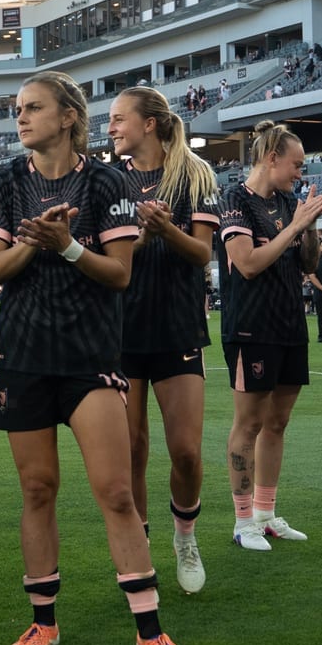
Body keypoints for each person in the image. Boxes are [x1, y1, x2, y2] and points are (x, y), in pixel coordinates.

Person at [0, 73, 194, 645]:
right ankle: (43, 622)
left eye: (33, 107)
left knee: (117, 492)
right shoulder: (5, 181)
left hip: (90, 359)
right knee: (37, 489)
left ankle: (150, 633)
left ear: (69, 116)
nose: (21, 117)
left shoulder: (106, 181)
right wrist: (39, 242)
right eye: (18, 109)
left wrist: (68, 245)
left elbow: (120, 274)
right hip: (22, 356)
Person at [106, 87, 220, 596]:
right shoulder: (110, 181)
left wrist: (166, 231)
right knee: (131, 449)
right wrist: (142, 237)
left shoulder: (193, 175)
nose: (111, 128)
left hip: (177, 326)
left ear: (149, 123)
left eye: (119, 119)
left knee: (187, 452)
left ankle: (185, 536)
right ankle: (141, 546)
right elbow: (104, 256)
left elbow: (202, 254)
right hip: (121, 330)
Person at [219, 121, 322, 552]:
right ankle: (243, 521)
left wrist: (310, 225)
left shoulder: (288, 202)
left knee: (277, 423)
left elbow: (308, 264)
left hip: (289, 324)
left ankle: (266, 514)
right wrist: (294, 225)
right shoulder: (234, 199)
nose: (300, 173)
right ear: (272, 158)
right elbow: (248, 263)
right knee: (249, 424)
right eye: (296, 164)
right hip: (251, 326)